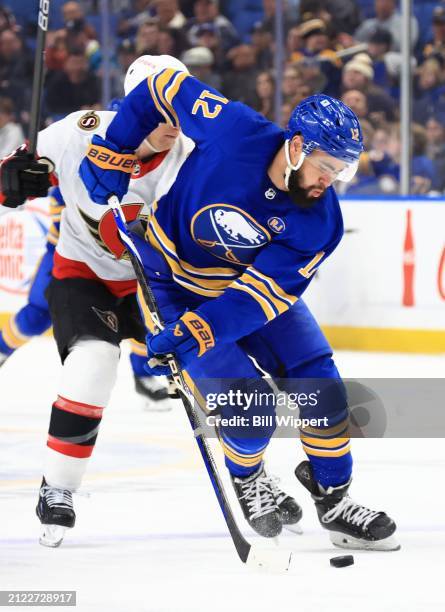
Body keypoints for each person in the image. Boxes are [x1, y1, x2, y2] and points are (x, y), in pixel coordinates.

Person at [78, 56, 399, 550]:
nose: (327, 182)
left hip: (243, 296)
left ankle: (333, 499)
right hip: (172, 285)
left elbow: (258, 299)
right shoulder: (235, 129)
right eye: (323, 168)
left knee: (323, 391)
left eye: (339, 172)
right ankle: (249, 476)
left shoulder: (320, 222)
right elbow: (161, 86)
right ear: (296, 147)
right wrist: (113, 149)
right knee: (250, 410)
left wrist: (198, 332)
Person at [0, 55, 216, 548]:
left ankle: (252, 479)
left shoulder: (192, 157)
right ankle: (58, 488)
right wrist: (11, 180)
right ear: (134, 106)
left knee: (213, 363)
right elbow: (14, 173)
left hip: (158, 284)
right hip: (84, 274)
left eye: (178, 107)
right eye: (160, 109)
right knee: (94, 359)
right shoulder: (81, 131)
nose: (173, 122)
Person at [0, 185, 171, 410]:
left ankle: (144, 375)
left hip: (126, 260)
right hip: (70, 258)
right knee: (36, 316)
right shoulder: (69, 154)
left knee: (144, 316)